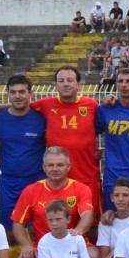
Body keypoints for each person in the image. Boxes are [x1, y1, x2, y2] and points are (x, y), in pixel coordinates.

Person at [9, 146, 98, 258]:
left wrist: (78, 231)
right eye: (50, 165)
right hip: (43, 245)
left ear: (68, 167)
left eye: (60, 165)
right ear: (44, 167)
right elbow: (17, 222)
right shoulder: (31, 190)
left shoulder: (81, 188)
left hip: (73, 243)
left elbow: (87, 215)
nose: (55, 169)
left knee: (95, 257)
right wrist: (26, 245)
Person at [30, 67, 102, 198]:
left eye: (70, 80)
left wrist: (109, 98)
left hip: (87, 175)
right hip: (58, 179)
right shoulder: (46, 104)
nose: (65, 84)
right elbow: (20, 106)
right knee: (60, 217)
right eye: (61, 81)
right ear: (56, 85)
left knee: (91, 217)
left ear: (78, 84)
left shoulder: (92, 104)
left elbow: (102, 125)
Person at [93, 69, 129, 219]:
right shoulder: (105, 109)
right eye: (120, 81)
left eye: (128, 81)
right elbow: (88, 134)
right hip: (113, 175)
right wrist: (92, 152)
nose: (124, 85)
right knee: (111, 219)